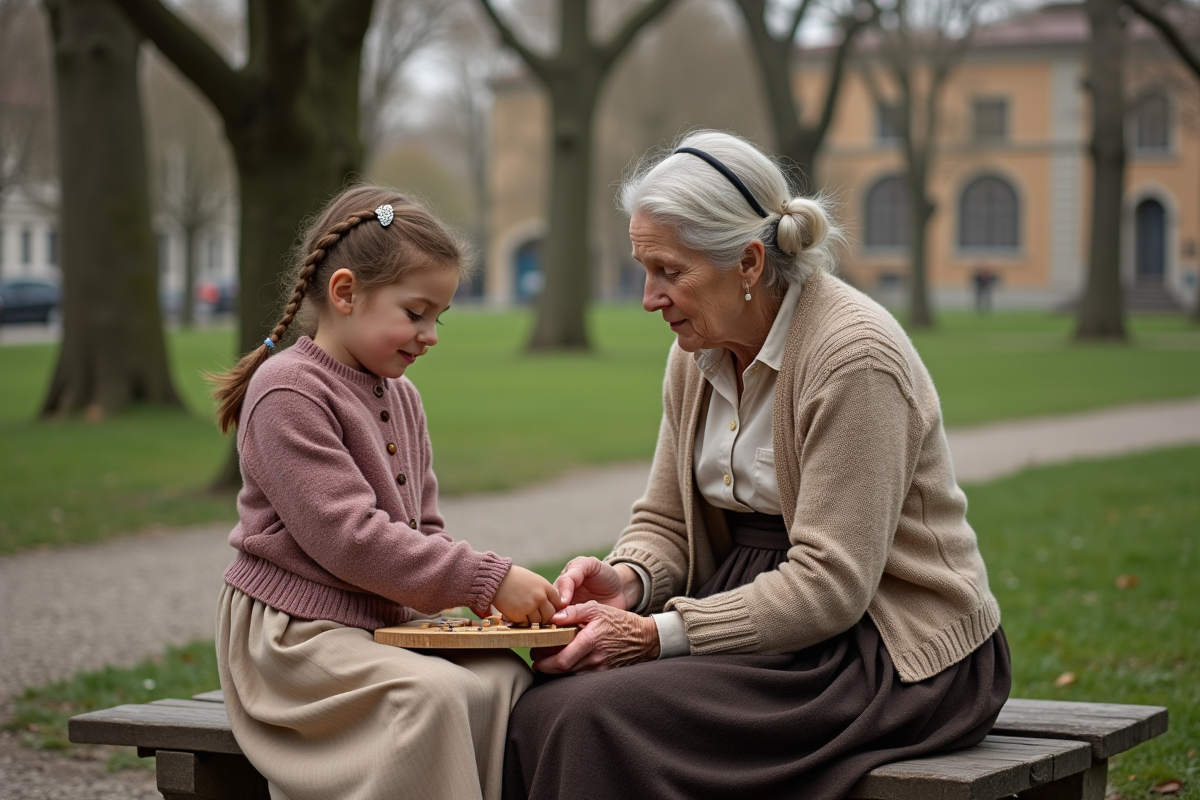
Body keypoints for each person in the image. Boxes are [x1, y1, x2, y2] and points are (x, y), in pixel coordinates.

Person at [503, 132, 1011, 800]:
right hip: (754, 616)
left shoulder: (853, 358)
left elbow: (832, 585)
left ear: (747, 262)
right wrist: (626, 581)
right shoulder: (696, 352)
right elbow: (666, 521)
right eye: (644, 270)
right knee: (541, 700)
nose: (650, 298)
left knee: (586, 715)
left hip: (885, 649)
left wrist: (654, 635)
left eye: (669, 272)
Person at [208, 185, 563, 800]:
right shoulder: (288, 390)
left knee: (504, 676)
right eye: (415, 312)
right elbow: (349, 539)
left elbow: (424, 528)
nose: (430, 335)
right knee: (430, 696)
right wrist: (486, 579)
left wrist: (475, 607)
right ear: (345, 293)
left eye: (437, 318)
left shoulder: (403, 396)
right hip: (296, 636)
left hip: (383, 623)